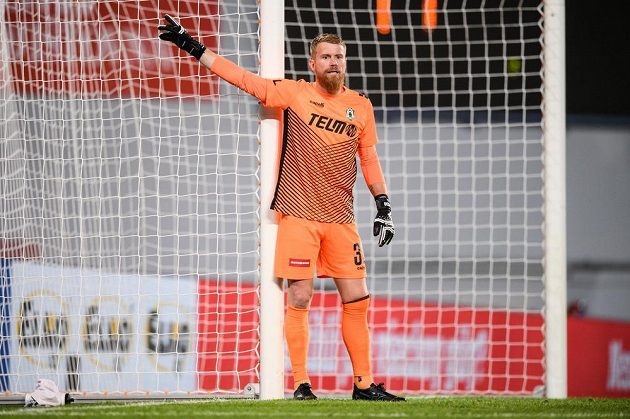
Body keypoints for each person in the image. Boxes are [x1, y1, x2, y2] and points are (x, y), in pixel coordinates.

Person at [159, 15, 404, 402]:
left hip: (341, 219)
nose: (334, 63)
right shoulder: (294, 93)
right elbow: (244, 79)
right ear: (313, 64)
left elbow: (369, 158)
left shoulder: (360, 106)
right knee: (300, 297)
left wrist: (383, 204)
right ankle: (302, 383)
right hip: (298, 215)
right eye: (326, 57)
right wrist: (194, 48)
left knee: (357, 298)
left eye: (339, 57)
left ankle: (363, 384)